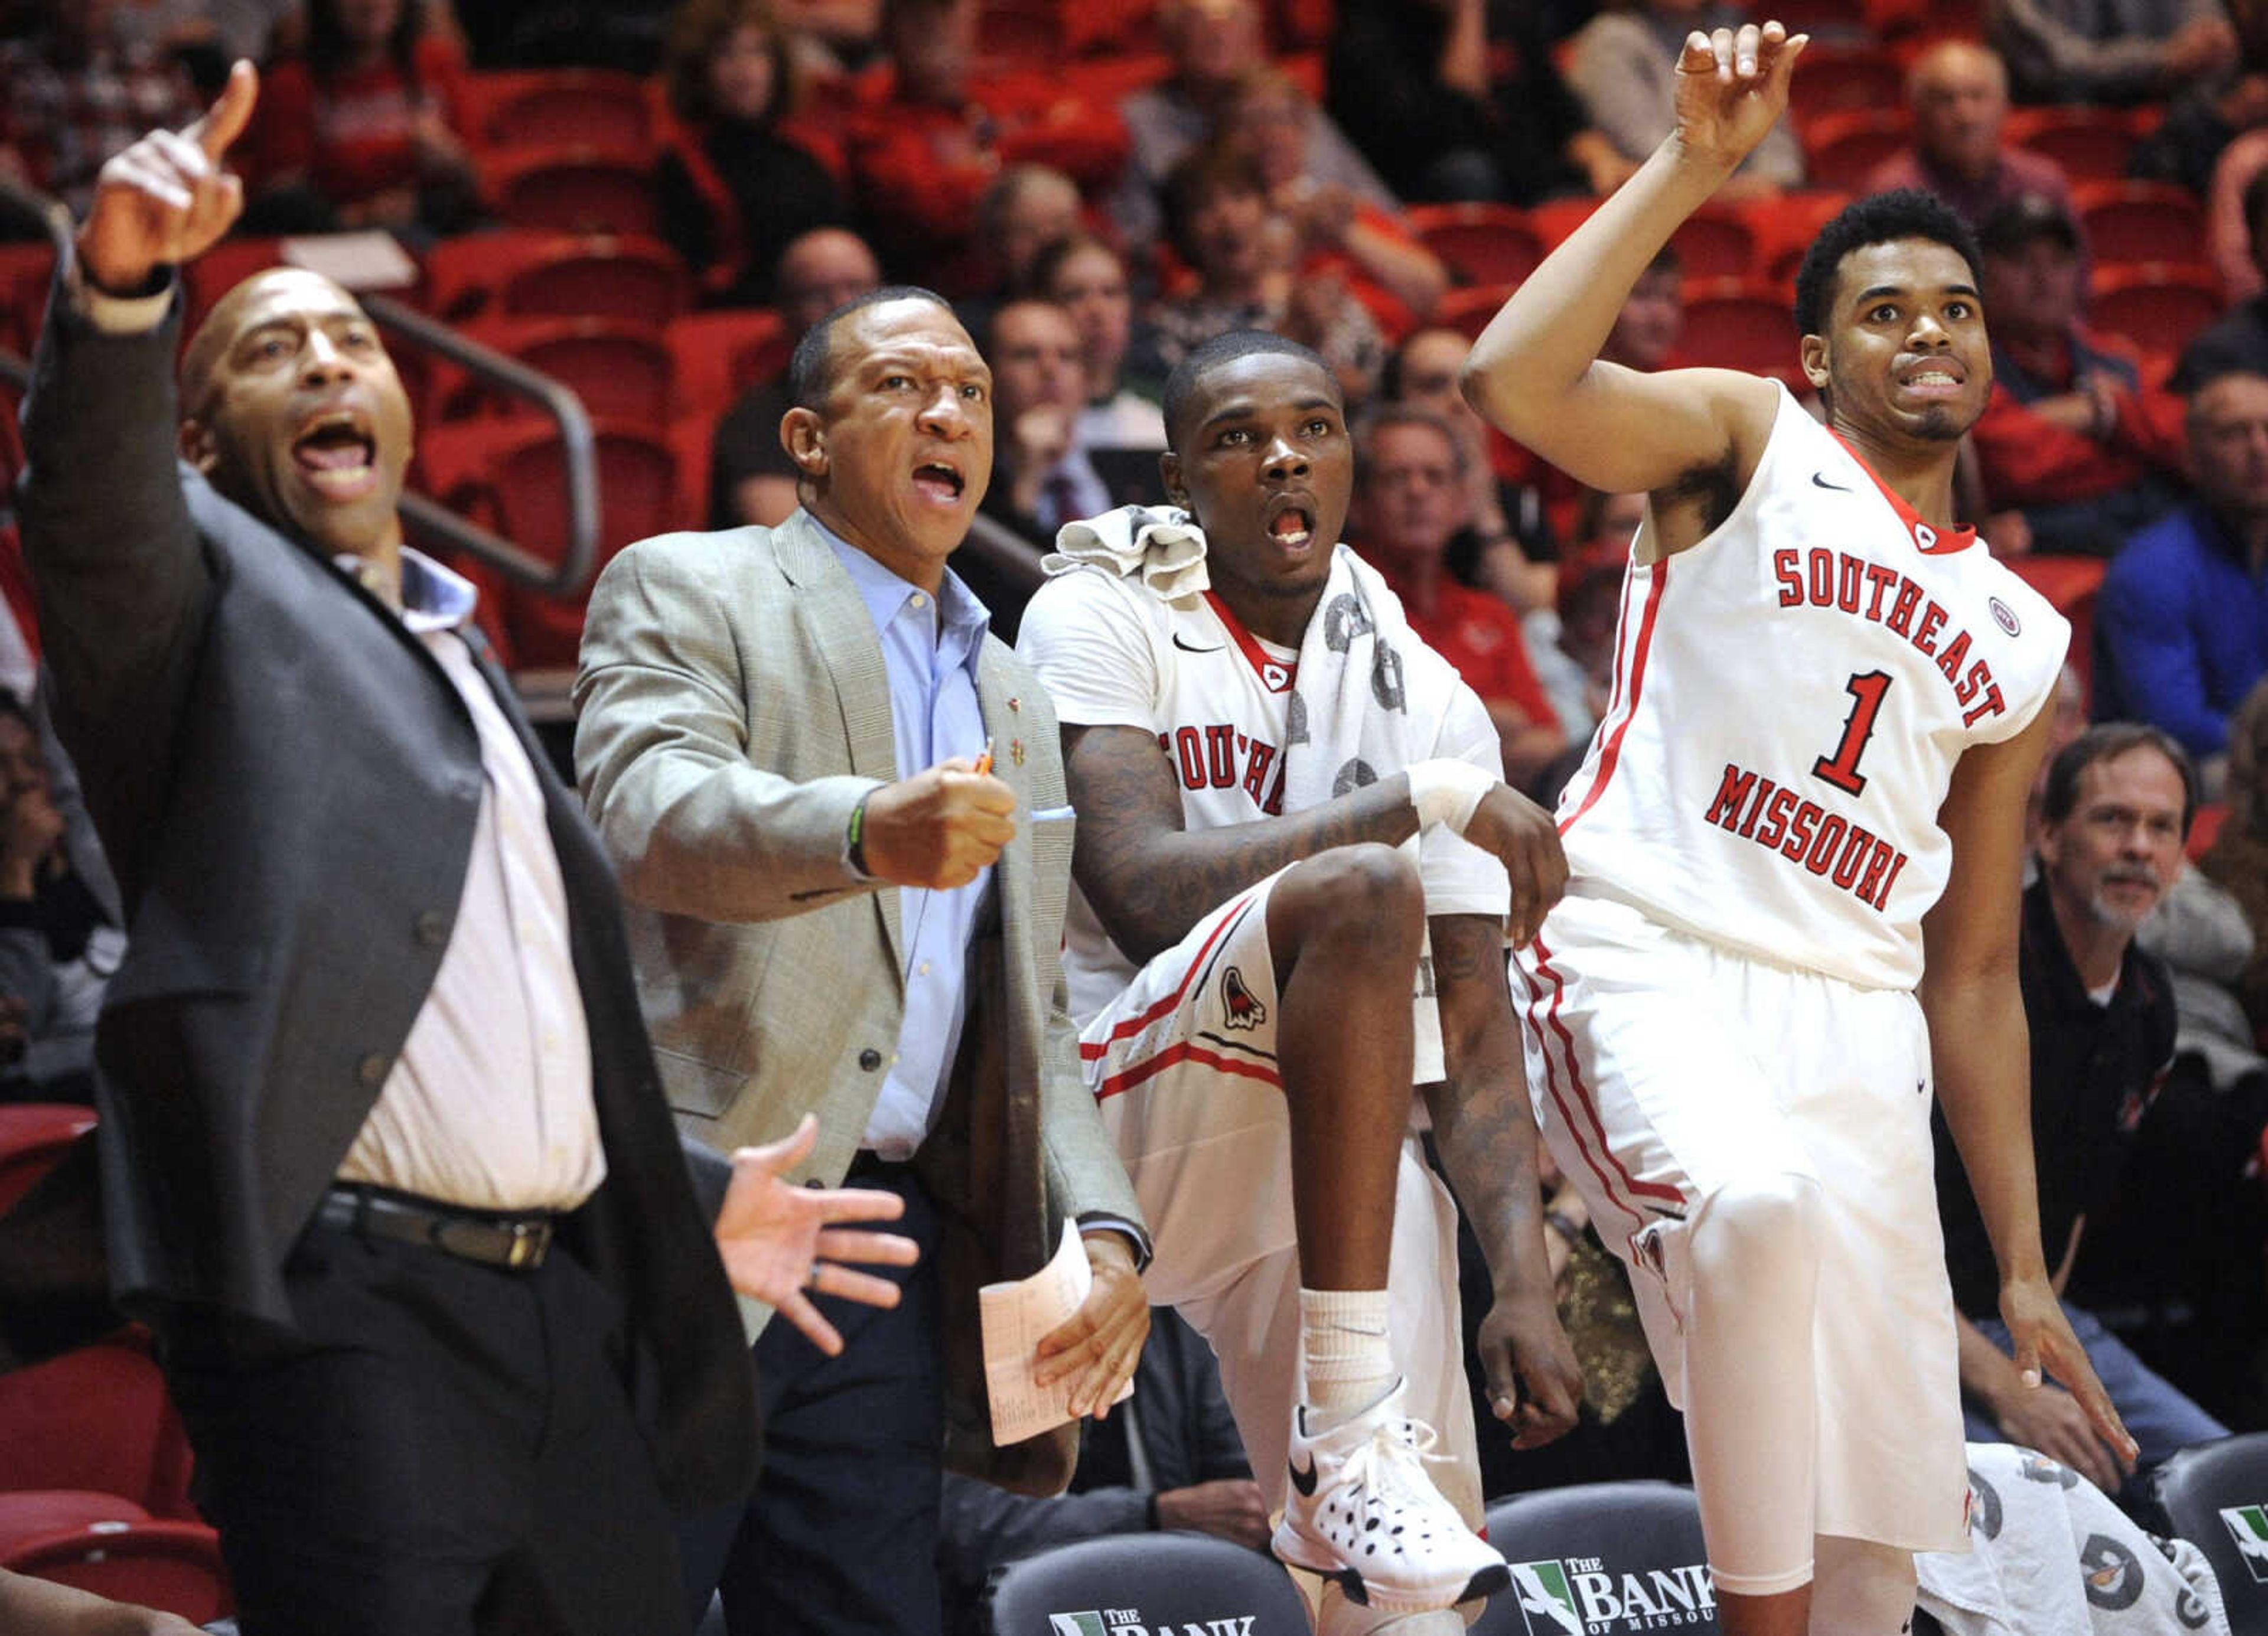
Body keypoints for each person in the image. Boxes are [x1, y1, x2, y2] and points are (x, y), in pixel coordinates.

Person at [15, 67, 917, 1636]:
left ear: (407, 409)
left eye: (349, 339)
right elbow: (88, 504)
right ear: (210, 444)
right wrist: (120, 291)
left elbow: (509, 1021)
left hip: (553, 1306)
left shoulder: (461, 653)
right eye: (271, 348)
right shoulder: (187, 599)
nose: (323, 361)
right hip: (344, 1308)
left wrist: (685, 1194)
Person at [1458, 22, 2130, 1634]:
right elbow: (1512, 380)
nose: (1931, 334)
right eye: (1883, 310)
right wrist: (1693, 165)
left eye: (1956, 312)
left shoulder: (2021, 637)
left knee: (1876, 1567)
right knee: (1745, 1213)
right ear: (1821, 357)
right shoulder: (1748, 441)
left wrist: (2024, 1265)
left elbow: (1971, 974)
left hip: (1858, 1023)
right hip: (1649, 946)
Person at [572, 285, 1151, 1636]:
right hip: (700, 1222)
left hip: (886, 1257)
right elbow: (641, 811)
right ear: (807, 439)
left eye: (969, 391)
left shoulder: (1010, 683)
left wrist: (1109, 1232)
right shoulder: (690, 580)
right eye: (899, 385)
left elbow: (1031, 1010)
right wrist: (855, 826)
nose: (946, 410)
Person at [1016, 328, 1583, 1627]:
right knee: (1362, 889)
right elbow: (1141, 885)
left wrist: (1526, 1282)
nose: (1282, 454)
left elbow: (1481, 1024)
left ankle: (1355, 1468)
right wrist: (1424, 803)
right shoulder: (1099, 610)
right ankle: (1350, 1428)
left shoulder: (1425, 687)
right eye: (1236, 436)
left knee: (1417, 1586)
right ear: (1179, 479)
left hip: (1307, 1148)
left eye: (1313, 427)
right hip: (1115, 1109)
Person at [1936, 726, 2230, 1498]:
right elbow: (1866, 1229)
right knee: (2037, 1505)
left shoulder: (2150, 1003)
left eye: (2161, 826)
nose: (2139, 846)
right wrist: (2008, 1388)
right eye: (2112, 819)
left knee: (2231, 1488)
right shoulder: (1964, 980)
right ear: (2046, 834)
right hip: (1899, 1325)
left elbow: (2067, 1224)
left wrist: (2039, 1363)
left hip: (2032, 1317)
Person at [937, 1306, 1263, 1634]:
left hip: (1169, 1596)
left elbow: (1242, 1486)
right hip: (1007, 1609)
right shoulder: (979, 1331)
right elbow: (964, 1523)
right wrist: (1151, 1515)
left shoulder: (1180, 1321)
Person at [1351, 407, 1566, 791]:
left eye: (1435, 477)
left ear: (1461, 501)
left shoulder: (1490, 614)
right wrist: (1491, 720)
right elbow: (1367, 751)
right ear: (1357, 502)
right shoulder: (1341, 607)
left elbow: (1550, 741)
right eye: (1395, 477)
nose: (1418, 491)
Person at [1966, 194, 2186, 559]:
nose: (2043, 278)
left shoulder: (2116, 357)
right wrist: (2116, 428)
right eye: (2022, 261)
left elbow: (2182, 442)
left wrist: (2093, 415)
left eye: (2058, 261)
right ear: (1982, 275)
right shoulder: (1964, 370)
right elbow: (2009, 466)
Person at [1111, 0, 1395, 262]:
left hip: (1347, 269)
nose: (1217, 33)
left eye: (1232, 19)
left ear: (1255, 35)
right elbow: (1136, 241)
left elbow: (1383, 212)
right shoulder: (1139, 121)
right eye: (1197, 20)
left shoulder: (1290, 102)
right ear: (1170, 39)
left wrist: (1342, 222)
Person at [2097, 369, 2268, 771]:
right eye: (2233, 434)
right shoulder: (2150, 570)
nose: (2259, 448)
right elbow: (2175, 724)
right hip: (2180, 769)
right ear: (2191, 460)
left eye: (2267, 428)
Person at [1325, 0, 1634, 207]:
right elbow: (1444, 131)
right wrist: (1467, 15)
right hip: (1428, 195)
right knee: (1470, 174)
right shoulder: (1366, 35)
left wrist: (1602, 160)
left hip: (1532, 182)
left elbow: (1563, 113)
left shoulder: (1509, 15)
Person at [653, 0, 846, 308]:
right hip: (739, 323)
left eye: (759, 51)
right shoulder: (682, 164)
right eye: (726, 53)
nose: (745, 68)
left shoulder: (807, 155)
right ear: (699, 69)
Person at [242, 0, 481, 237]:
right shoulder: (291, 83)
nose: (371, 4)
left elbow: (482, 176)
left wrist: (453, 160)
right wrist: (363, 215)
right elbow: (281, 196)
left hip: (435, 220)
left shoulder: (436, 62)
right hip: (334, 234)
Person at [708, 225, 882, 527]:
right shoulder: (758, 418)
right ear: (785, 314)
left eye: (856, 288)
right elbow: (792, 545)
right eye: (817, 295)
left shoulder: (921, 401)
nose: (841, 307)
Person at [1567, 0, 1804, 200]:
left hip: (1751, 196)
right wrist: (1726, 191)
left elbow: (1780, 151)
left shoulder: (1734, 28)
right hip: (1657, 204)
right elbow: (1642, 147)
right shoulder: (1611, 38)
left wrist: (1771, 179)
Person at [1863, 41, 2076, 234]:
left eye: (1978, 96)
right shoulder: (1891, 195)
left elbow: (2075, 273)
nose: (1966, 116)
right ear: (1918, 113)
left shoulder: (2043, 184)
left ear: (2005, 107)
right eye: (1946, 100)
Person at [1028, 232, 1168, 451]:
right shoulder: (1018, 416)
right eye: (1075, 295)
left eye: (1111, 293)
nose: (1098, 311)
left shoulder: (1165, 410)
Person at [1989, 0, 2239, 105]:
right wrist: (2162, 59)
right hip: (2064, 124)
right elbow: (2060, 66)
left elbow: (2208, 34)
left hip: (2170, 126)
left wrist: (2206, 44)